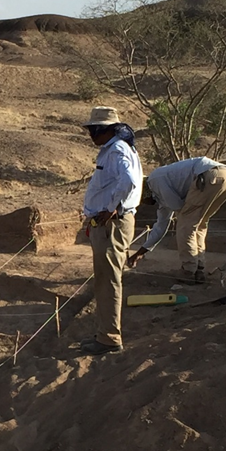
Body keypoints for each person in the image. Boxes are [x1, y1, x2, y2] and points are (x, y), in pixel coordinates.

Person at [80, 106, 143, 356]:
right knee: (105, 279)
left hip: (112, 224)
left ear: (109, 130)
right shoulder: (116, 149)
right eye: (90, 130)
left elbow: (129, 181)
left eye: (95, 130)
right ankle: (105, 332)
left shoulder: (117, 150)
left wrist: (111, 207)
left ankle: (109, 338)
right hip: (109, 222)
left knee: (108, 280)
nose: (91, 135)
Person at [127, 157, 226, 284]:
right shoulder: (161, 194)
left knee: (185, 225)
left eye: (140, 200)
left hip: (208, 176)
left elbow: (177, 206)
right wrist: (140, 252)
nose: (144, 203)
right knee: (199, 225)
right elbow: (161, 227)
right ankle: (199, 269)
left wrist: (174, 209)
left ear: (142, 191)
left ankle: (188, 270)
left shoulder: (154, 180)